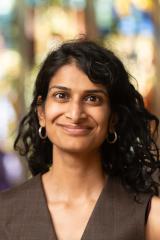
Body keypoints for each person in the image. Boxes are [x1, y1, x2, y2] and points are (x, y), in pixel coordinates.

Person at [0, 38, 160, 240]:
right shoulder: (4, 212)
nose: (75, 114)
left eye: (92, 98)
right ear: (41, 112)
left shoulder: (150, 217)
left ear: (113, 119)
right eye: (61, 96)